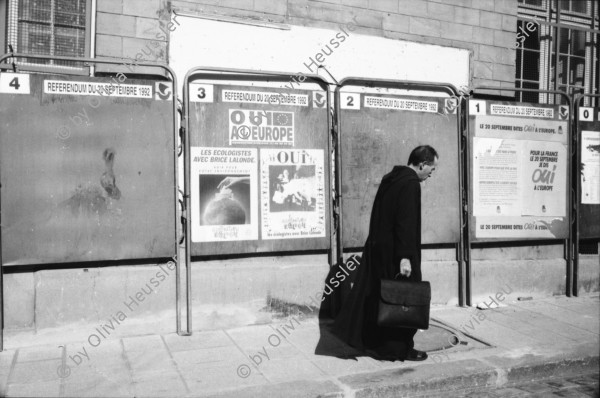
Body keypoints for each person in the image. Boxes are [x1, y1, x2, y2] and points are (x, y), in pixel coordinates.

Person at [331, 145, 439, 361]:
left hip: (380, 252)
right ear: (422, 164)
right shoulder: (410, 185)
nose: (431, 174)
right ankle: (399, 349)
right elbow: (405, 224)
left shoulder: (391, 178)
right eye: (431, 169)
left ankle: (379, 344)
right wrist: (405, 258)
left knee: (382, 299)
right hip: (398, 254)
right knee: (404, 300)